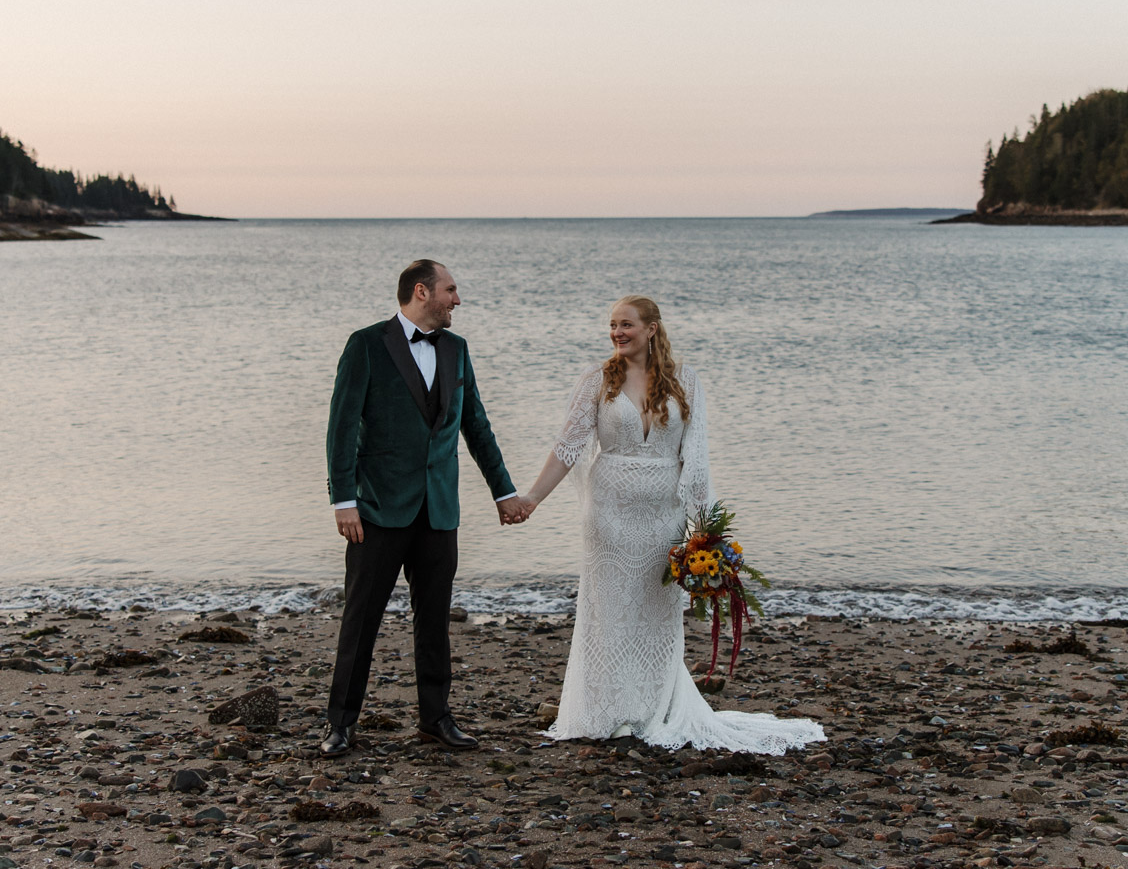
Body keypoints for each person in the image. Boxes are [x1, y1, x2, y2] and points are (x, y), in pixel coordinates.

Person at [519, 296, 825, 753]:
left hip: (665, 516)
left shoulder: (687, 381)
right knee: (610, 611)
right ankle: (610, 711)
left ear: (652, 329)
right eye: (612, 325)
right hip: (608, 514)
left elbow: (695, 462)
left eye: (626, 324)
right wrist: (530, 499)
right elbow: (567, 448)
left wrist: (709, 533)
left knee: (657, 611)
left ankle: (654, 707)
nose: (617, 332)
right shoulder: (597, 382)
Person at [322, 259, 529, 758]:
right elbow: (342, 427)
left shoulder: (457, 350)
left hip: (439, 512)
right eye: (451, 290)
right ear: (422, 291)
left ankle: (435, 719)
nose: (457, 299)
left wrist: (504, 492)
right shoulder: (366, 345)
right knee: (361, 620)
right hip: (375, 511)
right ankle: (340, 724)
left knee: (434, 619)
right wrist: (343, 500)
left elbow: (475, 426)